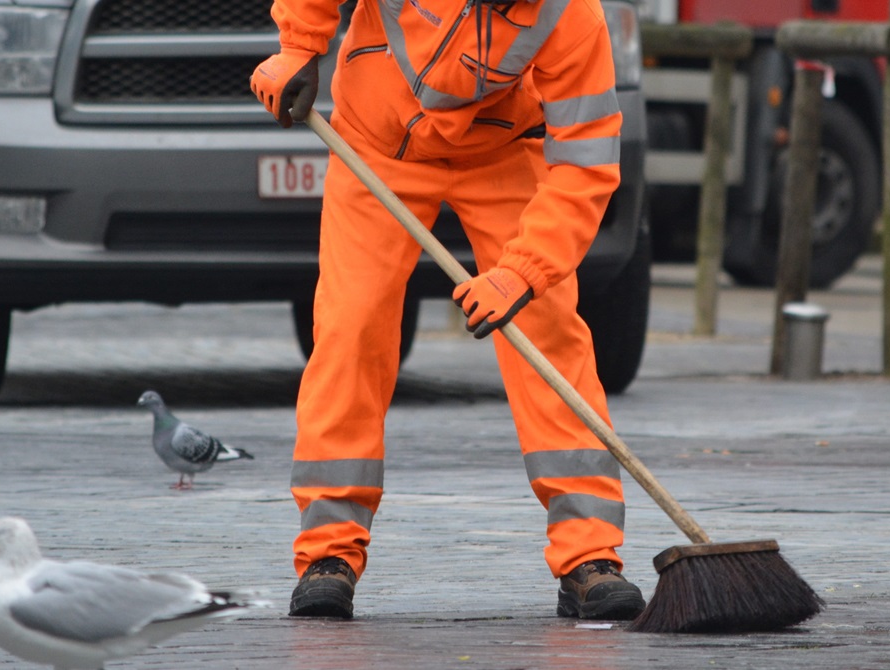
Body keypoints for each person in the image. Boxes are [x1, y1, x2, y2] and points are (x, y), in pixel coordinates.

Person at [251, 0, 644, 621]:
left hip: (500, 153)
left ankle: (589, 558)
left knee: (546, 332)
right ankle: (329, 555)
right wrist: (300, 46)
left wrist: (522, 271)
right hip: (375, 144)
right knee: (350, 328)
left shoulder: (574, 17)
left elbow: (586, 167)